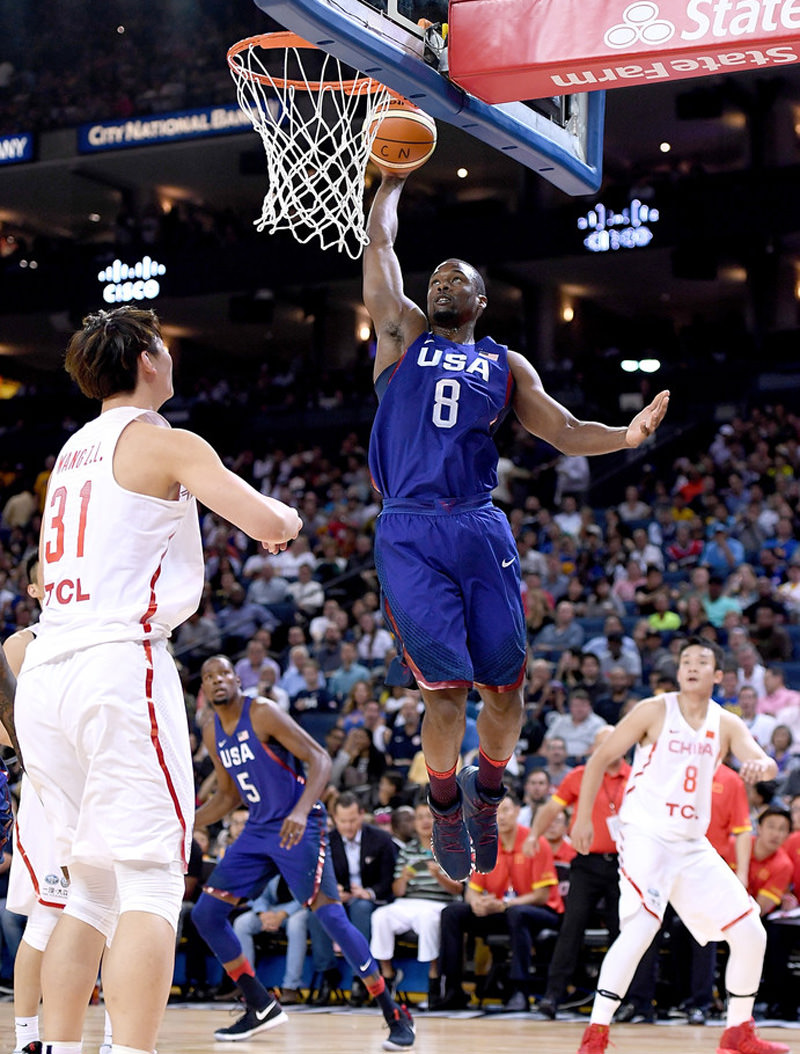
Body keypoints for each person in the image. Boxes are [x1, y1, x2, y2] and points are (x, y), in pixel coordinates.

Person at [362, 171, 669, 883]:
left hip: (477, 523)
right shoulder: (400, 333)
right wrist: (392, 183)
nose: (440, 284)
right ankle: (443, 802)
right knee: (445, 691)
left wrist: (625, 436)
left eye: (455, 278)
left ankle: (486, 794)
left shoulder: (504, 364)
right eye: (434, 276)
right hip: (409, 527)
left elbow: (563, 429)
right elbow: (379, 243)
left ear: (479, 299)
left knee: (507, 689)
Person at [14, 306, 302, 1054]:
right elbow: (266, 523)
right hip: (116, 662)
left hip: (49, 668)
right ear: (146, 358)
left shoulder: (71, 451)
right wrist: (291, 517)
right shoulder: (163, 441)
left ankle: (59, 1048)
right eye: (165, 348)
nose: (172, 359)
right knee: (148, 882)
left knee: (89, 888)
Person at [570, 638, 787, 1054]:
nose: (691, 667)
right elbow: (599, 759)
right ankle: (595, 1035)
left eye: (701, 662)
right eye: (685, 661)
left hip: (690, 843)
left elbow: (763, 758)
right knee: (642, 927)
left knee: (750, 931)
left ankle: (738, 1031)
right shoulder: (654, 710)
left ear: (717, 675)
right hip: (645, 834)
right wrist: (582, 819)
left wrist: (762, 764)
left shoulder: (725, 723)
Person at [191, 656, 414, 1048]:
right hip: (259, 827)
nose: (217, 680)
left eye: (224, 673)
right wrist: (187, 820)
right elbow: (227, 796)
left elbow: (320, 758)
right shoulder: (212, 731)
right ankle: (260, 1005)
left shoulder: (261, 712)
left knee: (331, 918)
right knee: (206, 914)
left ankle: (393, 1011)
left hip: (300, 824)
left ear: (236, 678)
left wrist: (299, 810)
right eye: (209, 677)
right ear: (204, 689)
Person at [523, 726, 630, 1019]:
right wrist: (534, 835)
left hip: (626, 865)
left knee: (623, 933)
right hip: (586, 863)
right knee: (571, 929)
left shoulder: (636, 776)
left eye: (612, 742)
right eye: (600, 744)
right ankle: (553, 996)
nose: (607, 748)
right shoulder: (579, 776)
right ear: (592, 749)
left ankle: (625, 1001)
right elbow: (550, 809)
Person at [437, 791, 562, 1012]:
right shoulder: (486, 845)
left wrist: (505, 905)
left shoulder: (536, 842)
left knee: (517, 914)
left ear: (516, 812)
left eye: (505, 810)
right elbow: (472, 891)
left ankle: (519, 992)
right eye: (494, 812)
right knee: (452, 913)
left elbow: (542, 895)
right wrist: (476, 903)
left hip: (540, 912)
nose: (500, 817)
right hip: (501, 911)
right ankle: (453, 989)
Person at [305, 791, 397, 1008]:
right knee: (317, 914)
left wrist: (369, 892)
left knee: (361, 908)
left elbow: (388, 880)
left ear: (362, 815)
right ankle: (328, 974)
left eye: (352, 820)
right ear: (334, 819)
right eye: (342, 821)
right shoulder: (326, 840)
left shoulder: (381, 839)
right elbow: (316, 876)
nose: (347, 826)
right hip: (340, 898)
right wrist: (333, 890)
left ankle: (360, 976)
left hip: (369, 899)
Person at [369, 799, 463, 1006]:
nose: (424, 822)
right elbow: (397, 891)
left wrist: (440, 877)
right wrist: (402, 879)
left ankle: (433, 978)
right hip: (408, 903)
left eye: (429, 816)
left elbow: (459, 889)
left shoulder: (451, 847)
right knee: (380, 916)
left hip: (438, 903)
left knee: (428, 920)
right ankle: (388, 975)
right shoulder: (406, 850)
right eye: (419, 817)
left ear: (438, 820)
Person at [231, 874, 308, 1005]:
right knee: (242, 923)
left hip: (300, 909)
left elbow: (306, 897)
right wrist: (262, 914)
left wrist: (281, 915)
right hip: (273, 911)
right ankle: (248, 985)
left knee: (296, 925)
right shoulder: (270, 862)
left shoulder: (302, 862)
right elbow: (259, 894)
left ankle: (291, 987)